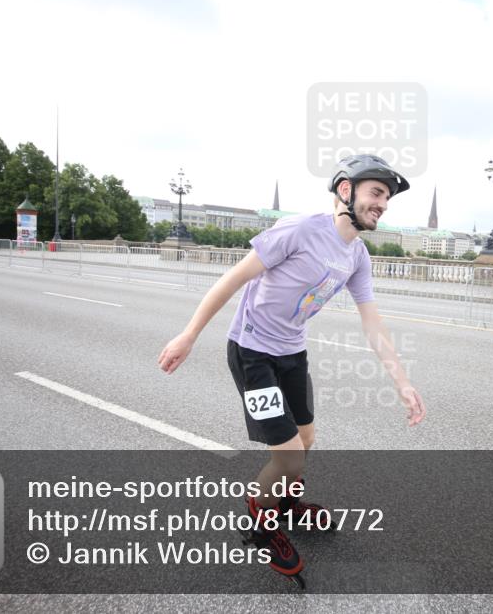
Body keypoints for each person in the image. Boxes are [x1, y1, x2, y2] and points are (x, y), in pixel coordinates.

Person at [157, 154, 426, 586]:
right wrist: (188, 335)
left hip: (291, 353)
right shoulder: (300, 230)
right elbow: (232, 279)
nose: (383, 204)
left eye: (387, 198)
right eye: (376, 193)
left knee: (307, 440)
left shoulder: (357, 256)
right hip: (251, 351)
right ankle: (260, 518)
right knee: (289, 454)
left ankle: (282, 502)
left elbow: (372, 323)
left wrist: (404, 384)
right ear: (345, 190)